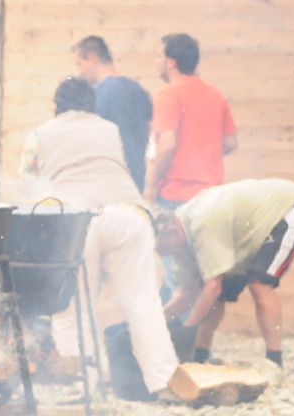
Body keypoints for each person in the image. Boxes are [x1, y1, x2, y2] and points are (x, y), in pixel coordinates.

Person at [19, 77, 178, 396]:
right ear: (92, 104)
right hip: (128, 214)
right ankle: (166, 382)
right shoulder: (109, 129)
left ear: (56, 106)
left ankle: (83, 386)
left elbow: (28, 184)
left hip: (77, 221)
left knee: (72, 308)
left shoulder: (40, 134)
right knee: (143, 303)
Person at [155, 179, 294, 370]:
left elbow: (213, 287)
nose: (164, 254)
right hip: (245, 234)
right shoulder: (179, 239)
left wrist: (187, 329)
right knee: (214, 293)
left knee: (259, 285)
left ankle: (274, 362)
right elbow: (188, 293)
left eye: (163, 249)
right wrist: (157, 321)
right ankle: (199, 357)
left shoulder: (203, 223)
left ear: (173, 232)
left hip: (288, 210)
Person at [145, 34, 237, 208]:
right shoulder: (215, 95)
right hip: (212, 195)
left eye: (158, 56)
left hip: (176, 194)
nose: (155, 62)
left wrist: (151, 188)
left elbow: (167, 145)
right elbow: (230, 143)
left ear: (171, 63)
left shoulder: (168, 94)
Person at [73, 35, 152, 191]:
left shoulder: (96, 95)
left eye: (79, 63)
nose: (79, 71)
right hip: (138, 178)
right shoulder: (138, 90)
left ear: (93, 58)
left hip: (108, 182)